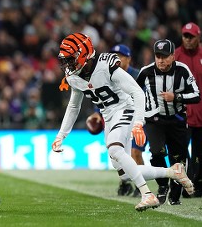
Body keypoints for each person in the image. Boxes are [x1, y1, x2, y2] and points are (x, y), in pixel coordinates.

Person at [51, 33, 194, 212]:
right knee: (125, 173)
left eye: (70, 58)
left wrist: (138, 123)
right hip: (108, 115)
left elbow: (137, 91)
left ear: (83, 54)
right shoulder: (73, 76)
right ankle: (173, 172)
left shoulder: (106, 65)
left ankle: (147, 194)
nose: (67, 64)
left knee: (115, 149)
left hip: (125, 107)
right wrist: (61, 135)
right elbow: (73, 106)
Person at [137, 39, 200, 205]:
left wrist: (177, 97)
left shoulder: (182, 70)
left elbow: (196, 95)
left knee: (178, 159)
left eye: (164, 56)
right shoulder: (145, 72)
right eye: (158, 56)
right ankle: (163, 185)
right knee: (156, 152)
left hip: (177, 120)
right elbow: (133, 93)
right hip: (154, 119)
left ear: (173, 56)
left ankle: (175, 195)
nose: (160, 60)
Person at [89, 44, 145, 197]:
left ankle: (140, 186)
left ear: (129, 59)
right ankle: (125, 182)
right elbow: (102, 96)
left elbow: (143, 95)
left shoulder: (138, 75)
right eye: (113, 54)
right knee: (117, 154)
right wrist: (96, 113)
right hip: (113, 116)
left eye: (120, 56)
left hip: (135, 115)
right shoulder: (106, 71)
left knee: (135, 152)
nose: (116, 58)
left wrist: (141, 120)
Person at [174, 22, 202, 197]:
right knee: (181, 151)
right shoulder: (175, 56)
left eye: (191, 37)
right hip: (182, 113)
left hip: (200, 112)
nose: (188, 40)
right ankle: (183, 184)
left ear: (198, 37)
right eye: (185, 36)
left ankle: (197, 184)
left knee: (199, 152)